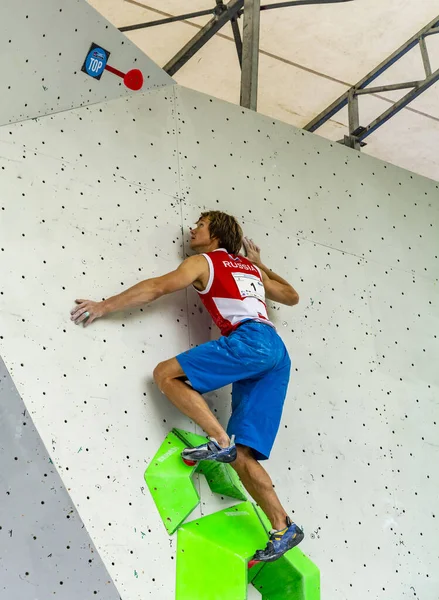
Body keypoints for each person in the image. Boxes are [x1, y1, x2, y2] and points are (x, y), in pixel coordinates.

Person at [70, 210, 304, 562]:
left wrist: (105, 306)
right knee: (244, 455)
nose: (192, 229)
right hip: (275, 354)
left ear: (215, 236)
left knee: (166, 374)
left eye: (201, 224)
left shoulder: (204, 262)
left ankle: (218, 440)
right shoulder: (250, 269)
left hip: (250, 341)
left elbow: (155, 288)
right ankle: (283, 525)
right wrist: (261, 264)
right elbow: (290, 295)